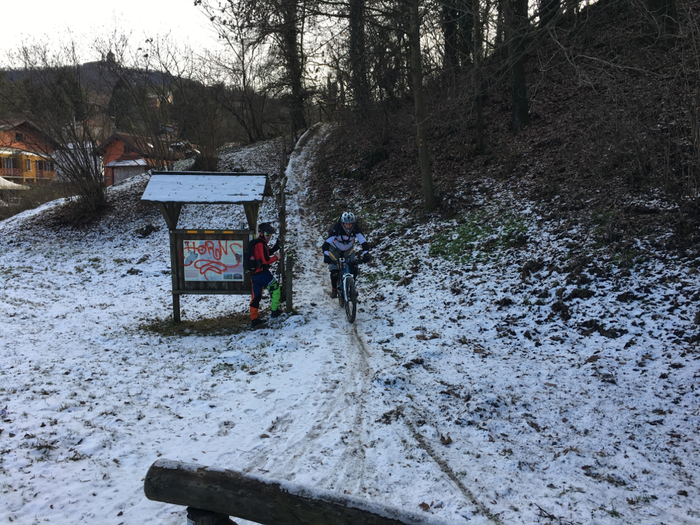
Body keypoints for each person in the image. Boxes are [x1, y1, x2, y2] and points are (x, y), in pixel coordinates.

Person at [322, 211, 370, 298]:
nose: (348, 226)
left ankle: (352, 287)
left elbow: (363, 241)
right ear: (342, 223)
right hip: (334, 249)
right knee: (334, 270)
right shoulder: (337, 228)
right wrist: (326, 256)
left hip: (348, 249)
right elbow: (326, 244)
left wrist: (366, 254)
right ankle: (334, 289)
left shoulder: (356, 228)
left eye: (350, 224)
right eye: (346, 224)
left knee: (354, 266)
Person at [249, 222, 281, 328]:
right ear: (262, 233)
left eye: (270, 235)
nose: (269, 237)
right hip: (262, 274)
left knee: (256, 297)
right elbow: (266, 260)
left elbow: (264, 255)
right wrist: (277, 257)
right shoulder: (261, 244)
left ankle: (254, 319)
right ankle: (275, 311)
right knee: (275, 289)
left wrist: (275, 248)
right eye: (267, 234)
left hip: (254, 274)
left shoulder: (258, 243)